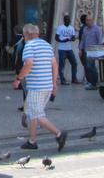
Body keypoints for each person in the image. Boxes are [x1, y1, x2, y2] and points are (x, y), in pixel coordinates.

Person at [14, 24, 67, 152]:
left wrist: (18, 79)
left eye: (24, 35)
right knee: (33, 113)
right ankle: (32, 141)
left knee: (37, 115)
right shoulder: (47, 45)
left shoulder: (29, 46)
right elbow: (55, 65)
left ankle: (59, 134)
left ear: (28, 35)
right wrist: (54, 83)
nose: (24, 38)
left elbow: (29, 64)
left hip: (36, 86)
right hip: (47, 86)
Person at [81, 15, 104, 89]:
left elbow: (100, 41)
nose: (88, 22)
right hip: (86, 50)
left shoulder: (97, 29)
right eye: (87, 20)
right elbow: (83, 40)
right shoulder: (85, 29)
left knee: (91, 67)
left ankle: (94, 83)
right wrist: (80, 49)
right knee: (87, 67)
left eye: (89, 20)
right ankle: (91, 81)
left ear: (93, 20)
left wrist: (99, 51)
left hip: (93, 50)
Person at [55, 14, 78, 85]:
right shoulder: (60, 28)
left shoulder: (71, 28)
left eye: (68, 20)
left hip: (69, 48)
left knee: (74, 63)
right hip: (62, 49)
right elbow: (56, 38)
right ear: (64, 20)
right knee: (62, 65)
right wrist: (62, 40)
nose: (67, 21)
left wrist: (71, 39)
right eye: (66, 20)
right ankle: (62, 79)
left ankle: (74, 78)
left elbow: (74, 38)